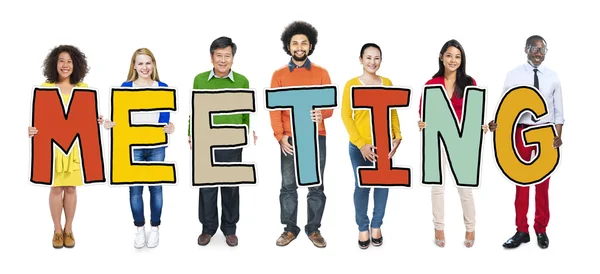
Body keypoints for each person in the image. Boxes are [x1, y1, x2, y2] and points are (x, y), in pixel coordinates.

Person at [488, 35, 564, 249]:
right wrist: (495, 125)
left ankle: (541, 229)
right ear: (526, 49)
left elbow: (559, 111)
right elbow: (503, 107)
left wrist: (558, 135)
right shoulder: (513, 75)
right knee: (521, 184)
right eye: (535, 48)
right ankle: (522, 230)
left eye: (543, 49)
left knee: (542, 186)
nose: (539, 53)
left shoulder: (553, 77)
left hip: (545, 135)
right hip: (520, 133)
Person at [28, 45, 104, 249]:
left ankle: (69, 228)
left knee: (70, 187)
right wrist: (32, 130)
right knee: (56, 187)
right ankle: (57, 229)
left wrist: (96, 120)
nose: (65, 65)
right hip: (53, 147)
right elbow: (39, 119)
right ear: (55, 63)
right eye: (61, 60)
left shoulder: (83, 88)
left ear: (75, 65)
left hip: (75, 147)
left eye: (69, 61)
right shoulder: (45, 88)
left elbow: (85, 118)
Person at [417, 39, 488, 248]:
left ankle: (470, 227)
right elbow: (424, 110)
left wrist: (480, 127)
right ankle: (438, 228)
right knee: (437, 187)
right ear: (441, 57)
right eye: (449, 55)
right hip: (438, 138)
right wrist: (421, 122)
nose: (453, 60)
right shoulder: (432, 84)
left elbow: (475, 110)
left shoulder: (469, 81)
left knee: (464, 188)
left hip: (461, 139)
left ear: (461, 60)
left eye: (457, 56)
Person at [103, 48, 175, 249]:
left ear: (154, 65)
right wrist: (110, 124)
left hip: (156, 146)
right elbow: (121, 119)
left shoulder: (162, 87)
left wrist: (170, 127)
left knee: (156, 188)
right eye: (140, 63)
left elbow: (165, 118)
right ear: (134, 66)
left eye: (148, 63)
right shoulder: (126, 87)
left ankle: (155, 229)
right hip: (132, 146)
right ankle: (139, 229)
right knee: (135, 190)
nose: (145, 67)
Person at [269, 21, 333, 248]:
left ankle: (313, 229)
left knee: (316, 185)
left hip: (317, 137)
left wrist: (321, 114)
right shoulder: (278, 75)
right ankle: (289, 229)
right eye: (295, 43)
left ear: (310, 45)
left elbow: (329, 107)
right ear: (288, 46)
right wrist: (280, 136)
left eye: (303, 43)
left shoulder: (321, 73)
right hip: (289, 138)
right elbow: (274, 109)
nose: (299, 46)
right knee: (288, 185)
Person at [189, 36, 257, 247]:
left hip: (232, 142)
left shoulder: (242, 81)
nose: (223, 60)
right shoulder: (199, 80)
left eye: (227, 55)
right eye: (219, 55)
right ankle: (208, 228)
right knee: (207, 187)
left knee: (230, 186)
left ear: (233, 58)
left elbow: (246, 111)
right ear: (212, 57)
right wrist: (191, 133)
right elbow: (194, 110)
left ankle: (230, 229)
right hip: (206, 141)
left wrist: (247, 131)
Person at [341, 43, 402, 249]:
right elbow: (346, 116)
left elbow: (393, 111)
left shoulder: (387, 82)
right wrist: (361, 145)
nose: (372, 62)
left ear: (381, 60)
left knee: (383, 185)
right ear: (361, 59)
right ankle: (362, 227)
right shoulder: (351, 84)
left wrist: (397, 135)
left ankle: (377, 225)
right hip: (360, 148)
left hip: (384, 146)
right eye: (368, 58)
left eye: (377, 58)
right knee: (362, 187)